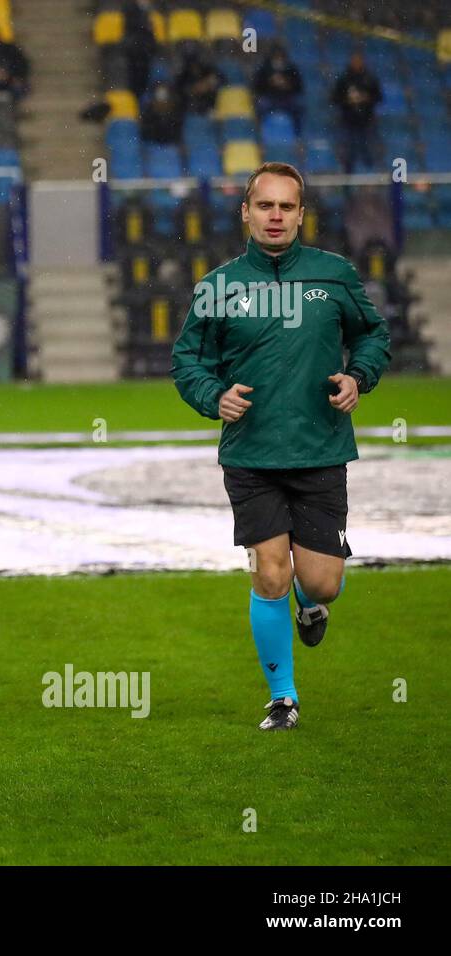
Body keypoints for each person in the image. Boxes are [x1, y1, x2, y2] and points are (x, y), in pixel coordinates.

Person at [171, 161, 390, 731]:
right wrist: (212, 396)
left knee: (321, 582)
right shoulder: (218, 288)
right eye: (263, 205)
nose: (275, 216)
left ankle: (309, 602)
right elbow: (187, 361)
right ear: (245, 212)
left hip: (320, 451)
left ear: (300, 215)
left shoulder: (333, 274)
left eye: (286, 207)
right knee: (270, 572)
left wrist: (357, 376)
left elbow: (372, 334)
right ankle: (283, 698)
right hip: (251, 456)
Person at [331, 52, 382, 173]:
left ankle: (369, 174)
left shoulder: (370, 79)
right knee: (349, 150)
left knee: (367, 150)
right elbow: (335, 98)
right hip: (348, 119)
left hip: (366, 119)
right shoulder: (344, 79)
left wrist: (366, 98)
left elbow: (378, 97)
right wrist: (348, 100)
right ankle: (348, 175)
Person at [253, 43, 304, 134]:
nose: (279, 60)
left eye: (281, 58)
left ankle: (297, 136)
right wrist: (271, 83)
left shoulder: (291, 69)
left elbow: (299, 87)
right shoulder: (264, 69)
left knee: (298, 108)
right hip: (269, 98)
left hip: (287, 98)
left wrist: (287, 84)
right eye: (276, 57)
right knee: (261, 106)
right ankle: (260, 133)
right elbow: (257, 87)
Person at [122, 0, 159, 101]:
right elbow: (133, 26)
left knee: (145, 81)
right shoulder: (130, 8)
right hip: (135, 51)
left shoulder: (149, 10)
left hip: (146, 52)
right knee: (135, 82)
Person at [176, 49, 224, 115]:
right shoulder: (184, 75)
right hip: (189, 107)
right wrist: (193, 89)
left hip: (209, 105)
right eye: (192, 65)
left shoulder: (208, 70)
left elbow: (221, 80)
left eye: (196, 65)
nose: (194, 68)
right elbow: (179, 88)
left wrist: (209, 84)